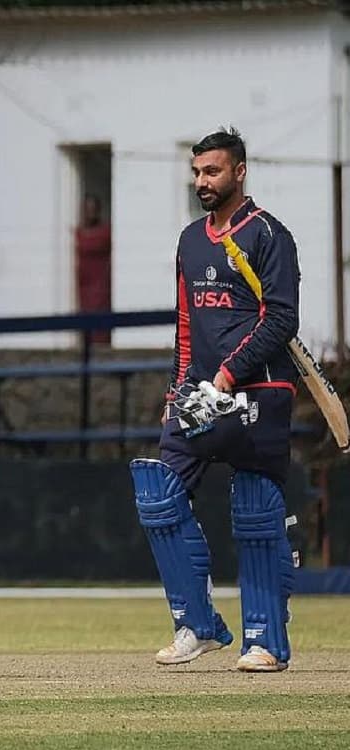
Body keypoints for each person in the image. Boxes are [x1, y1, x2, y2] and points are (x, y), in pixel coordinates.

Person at [131, 127, 299, 673]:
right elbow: (186, 322)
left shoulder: (269, 235)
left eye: (213, 172)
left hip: (260, 391)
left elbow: (280, 320)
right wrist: (180, 387)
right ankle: (197, 625)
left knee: (254, 509)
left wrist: (228, 375)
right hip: (198, 395)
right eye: (197, 172)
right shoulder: (190, 239)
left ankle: (265, 640)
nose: (202, 181)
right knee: (157, 494)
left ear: (240, 171)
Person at [75, 192, 112, 344]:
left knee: (100, 326)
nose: (90, 213)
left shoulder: (105, 232)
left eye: (93, 209)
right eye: (87, 209)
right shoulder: (78, 233)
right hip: (83, 287)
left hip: (100, 286)